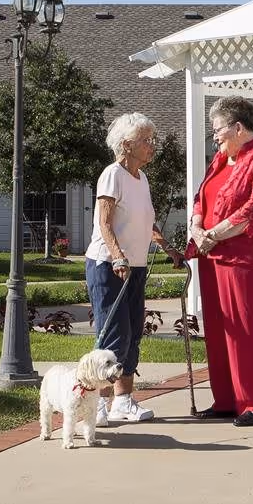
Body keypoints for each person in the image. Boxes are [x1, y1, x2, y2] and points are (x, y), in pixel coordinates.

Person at [187, 97, 253, 426]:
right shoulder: (220, 160)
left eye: (218, 130)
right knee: (216, 330)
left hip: (244, 256)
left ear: (238, 127)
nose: (215, 136)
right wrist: (197, 227)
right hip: (211, 255)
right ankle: (226, 400)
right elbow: (201, 197)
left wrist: (213, 233)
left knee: (244, 329)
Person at [85, 112, 167, 422]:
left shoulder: (141, 178)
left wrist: (167, 246)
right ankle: (100, 403)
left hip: (134, 266)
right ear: (126, 144)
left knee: (133, 333)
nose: (152, 146)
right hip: (108, 265)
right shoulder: (112, 174)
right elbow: (104, 222)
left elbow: (147, 221)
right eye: (147, 141)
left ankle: (123, 401)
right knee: (113, 334)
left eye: (152, 140)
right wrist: (118, 255)